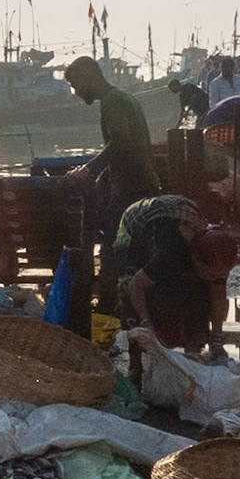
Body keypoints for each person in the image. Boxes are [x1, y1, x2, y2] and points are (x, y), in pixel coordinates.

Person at [65, 55, 161, 314]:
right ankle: (133, 305)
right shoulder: (125, 98)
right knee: (133, 248)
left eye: (75, 84)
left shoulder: (111, 103)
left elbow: (119, 142)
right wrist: (103, 178)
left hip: (132, 188)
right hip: (144, 184)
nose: (75, 92)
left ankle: (109, 309)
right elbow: (130, 145)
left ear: (89, 76)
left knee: (111, 248)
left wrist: (88, 169)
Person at [115, 195, 240, 352]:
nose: (215, 279)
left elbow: (217, 299)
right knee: (151, 290)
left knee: (197, 296)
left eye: (220, 276)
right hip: (137, 222)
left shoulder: (219, 257)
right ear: (195, 258)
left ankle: (192, 348)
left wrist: (217, 338)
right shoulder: (172, 252)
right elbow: (136, 285)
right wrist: (147, 324)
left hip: (180, 212)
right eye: (210, 274)